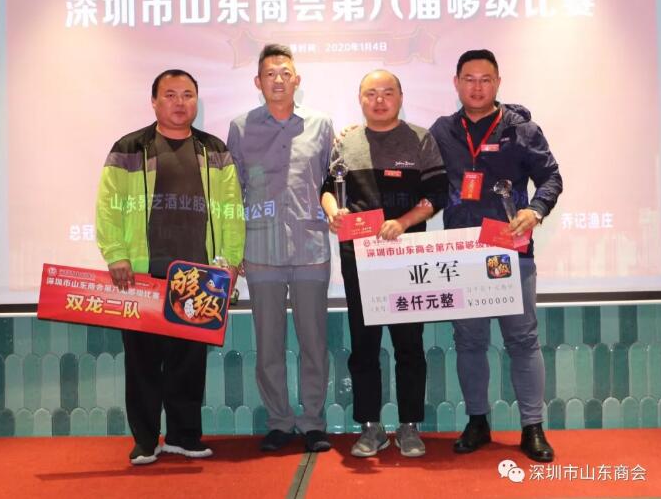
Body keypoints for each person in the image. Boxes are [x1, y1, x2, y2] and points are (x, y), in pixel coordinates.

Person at [96, 69, 245, 465]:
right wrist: (115, 253)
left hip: (198, 276)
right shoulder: (130, 147)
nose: (180, 103)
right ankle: (145, 440)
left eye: (188, 95)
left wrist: (230, 263)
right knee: (142, 363)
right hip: (141, 275)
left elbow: (232, 210)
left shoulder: (214, 150)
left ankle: (184, 436)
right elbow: (108, 206)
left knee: (188, 363)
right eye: (171, 95)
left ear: (197, 101)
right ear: (154, 101)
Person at [429, 49, 563, 462]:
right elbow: (418, 173)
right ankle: (477, 421)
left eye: (485, 79)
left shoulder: (522, 130)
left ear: (498, 83)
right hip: (463, 252)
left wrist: (535, 210)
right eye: (469, 79)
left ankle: (532, 427)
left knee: (522, 340)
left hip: (510, 248)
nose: (477, 87)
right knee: (469, 341)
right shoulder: (442, 131)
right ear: (456, 83)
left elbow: (551, 177)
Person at [321, 70, 447, 458]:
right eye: (371, 93)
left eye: (387, 92)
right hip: (359, 257)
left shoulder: (420, 139)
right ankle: (370, 427)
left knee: (409, 344)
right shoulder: (346, 142)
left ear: (401, 97)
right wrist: (333, 212)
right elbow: (328, 188)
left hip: (407, 256)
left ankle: (409, 426)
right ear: (360, 99)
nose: (379, 100)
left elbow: (437, 193)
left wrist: (404, 222)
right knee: (364, 344)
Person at [227, 44, 334, 453]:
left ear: (297, 79)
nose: (277, 79)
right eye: (270, 73)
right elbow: (232, 190)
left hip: (310, 247)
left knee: (314, 342)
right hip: (260, 248)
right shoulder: (240, 128)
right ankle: (279, 422)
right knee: (269, 343)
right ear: (258, 81)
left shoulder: (321, 125)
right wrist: (232, 248)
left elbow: (331, 182)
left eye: (285, 73)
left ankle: (313, 422)